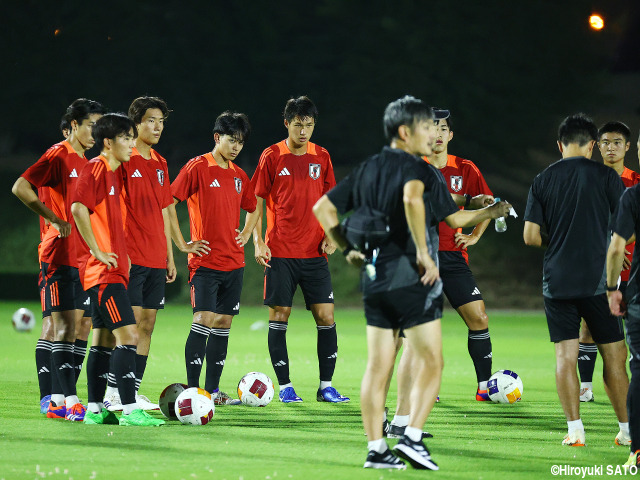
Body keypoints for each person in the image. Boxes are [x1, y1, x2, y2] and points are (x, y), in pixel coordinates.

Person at [313, 95, 511, 470]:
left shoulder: (368, 168)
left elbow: (323, 208)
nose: (431, 133)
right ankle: (412, 438)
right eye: (424, 126)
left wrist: (346, 247)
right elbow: (431, 210)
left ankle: (377, 449)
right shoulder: (422, 170)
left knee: (378, 366)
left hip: (374, 276)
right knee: (431, 360)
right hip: (410, 276)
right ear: (405, 132)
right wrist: (423, 250)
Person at [523, 113, 629, 447]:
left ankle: (575, 430)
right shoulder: (607, 177)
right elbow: (625, 226)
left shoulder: (542, 179)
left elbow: (529, 236)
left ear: (560, 144)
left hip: (557, 281)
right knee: (615, 356)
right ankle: (627, 430)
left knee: (564, 358)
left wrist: (559, 242)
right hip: (598, 281)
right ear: (593, 145)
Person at [12, 98, 106, 421]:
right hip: (58, 254)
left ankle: (64, 395)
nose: (96, 131)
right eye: (91, 125)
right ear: (74, 125)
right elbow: (21, 187)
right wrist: (53, 217)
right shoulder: (59, 154)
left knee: (82, 325)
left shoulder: (88, 162)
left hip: (83, 257)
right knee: (56, 325)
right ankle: (53, 397)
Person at [251, 96, 348, 403]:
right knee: (280, 315)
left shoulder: (322, 156)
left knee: (326, 316)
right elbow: (256, 200)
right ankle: (285, 386)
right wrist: (258, 240)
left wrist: (333, 235)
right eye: (297, 125)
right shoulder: (272, 155)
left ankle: (326, 387)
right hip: (279, 251)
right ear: (287, 124)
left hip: (314, 253)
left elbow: (331, 200)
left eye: (308, 125)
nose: (303, 131)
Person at [71, 113, 164, 426]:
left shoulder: (115, 173)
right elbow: (77, 207)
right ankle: (128, 409)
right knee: (129, 336)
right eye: (125, 138)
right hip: (103, 273)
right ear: (108, 143)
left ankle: (95, 409)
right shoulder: (95, 168)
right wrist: (96, 249)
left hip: (112, 271)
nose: (130, 143)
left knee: (102, 340)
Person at [172, 111, 259, 404]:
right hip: (205, 262)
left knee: (223, 323)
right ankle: (192, 390)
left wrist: (246, 233)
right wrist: (182, 243)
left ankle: (212, 391)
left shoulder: (239, 175)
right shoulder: (197, 167)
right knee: (203, 318)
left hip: (233, 262)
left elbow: (254, 205)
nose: (236, 147)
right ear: (216, 137)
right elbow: (169, 202)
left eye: (241, 142)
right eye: (231, 140)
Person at [102, 96, 174, 411]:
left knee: (147, 325)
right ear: (136, 123)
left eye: (161, 121)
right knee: (127, 326)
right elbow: (112, 208)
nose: (157, 127)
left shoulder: (160, 163)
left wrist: (172, 256)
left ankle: (132, 391)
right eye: (151, 121)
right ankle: (112, 392)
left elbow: (164, 212)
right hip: (131, 256)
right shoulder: (124, 159)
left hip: (157, 256)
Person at [422, 109, 496, 402]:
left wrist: (475, 235)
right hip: (421, 260)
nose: (437, 135)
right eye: (431, 129)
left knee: (479, 316)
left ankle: (484, 386)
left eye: (443, 129)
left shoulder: (466, 168)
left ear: (450, 135)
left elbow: (488, 204)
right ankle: (427, 389)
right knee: (423, 327)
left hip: (453, 258)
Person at [578, 121, 640, 403]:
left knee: (631, 332)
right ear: (596, 146)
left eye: (617, 142)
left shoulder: (636, 182)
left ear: (628, 147)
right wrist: (608, 249)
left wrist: (620, 244)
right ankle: (586, 386)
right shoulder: (588, 180)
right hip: (597, 266)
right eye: (605, 142)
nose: (611, 147)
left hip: (633, 268)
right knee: (589, 326)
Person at [606, 129, 640, 466]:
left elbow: (617, 245)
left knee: (638, 365)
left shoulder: (634, 194)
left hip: (636, 291)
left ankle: (636, 449)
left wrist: (612, 286)